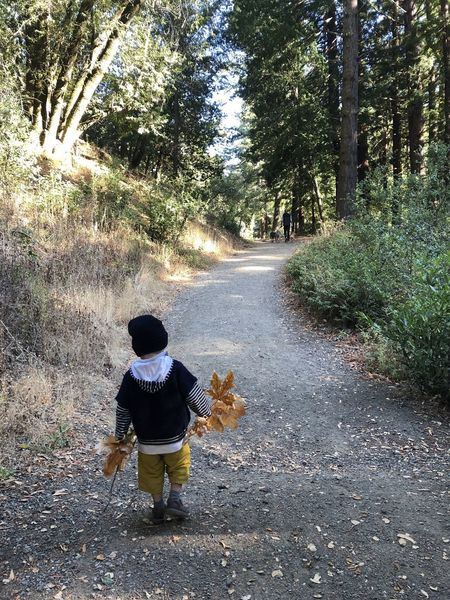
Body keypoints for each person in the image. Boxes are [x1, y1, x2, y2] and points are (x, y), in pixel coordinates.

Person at [114, 314, 211, 524]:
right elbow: (194, 395)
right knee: (179, 466)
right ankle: (174, 499)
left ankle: (157, 506)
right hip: (176, 439)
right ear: (162, 339)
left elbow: (123, 409)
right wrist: (205, 413)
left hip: (147, 443)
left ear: (137, 346)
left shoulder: (130, 376)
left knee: (151, 473)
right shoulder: (175, 369)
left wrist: (120, 434)